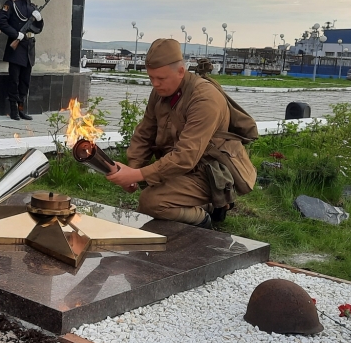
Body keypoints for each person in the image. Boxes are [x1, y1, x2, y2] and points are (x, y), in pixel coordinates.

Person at [105, 38, 257, 228]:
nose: (155, 84)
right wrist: (134, 167)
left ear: (181, 71)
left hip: (207, 171)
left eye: (161, 78)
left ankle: (204, 216)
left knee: (151, 202)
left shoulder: (204, 99)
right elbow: (145, 132)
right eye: (151, 78)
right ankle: (207, 204)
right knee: (149, 183)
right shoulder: (160, 92)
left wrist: (136, 175)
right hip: (179, 165)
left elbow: (186, 156)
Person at [0, 0, 44, 121]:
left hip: (29, 47)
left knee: (25, 82)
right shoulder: (11, 4)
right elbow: (0, 22)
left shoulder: (32, 6)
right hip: (16, 49)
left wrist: (39, 19)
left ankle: (21, 109)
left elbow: (38, 29)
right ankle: (13, 110)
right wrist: (16, 34)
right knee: (14, 81)